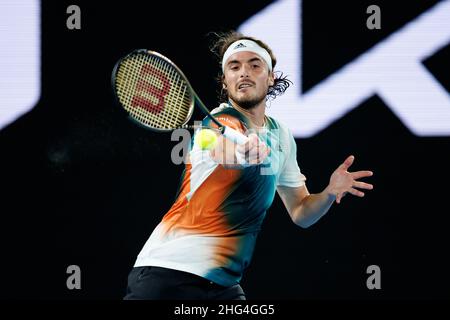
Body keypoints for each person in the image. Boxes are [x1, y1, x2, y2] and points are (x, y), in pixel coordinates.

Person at [124, 31, 374, 300]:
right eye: (234, 66)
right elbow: (220, 149)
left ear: (270, 77)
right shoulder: (216, 123)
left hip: (223, 286)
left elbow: (301, 212)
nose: (244, 72)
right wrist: (242, 153)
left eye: (254, 65)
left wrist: (329, 193)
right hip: (167, 275)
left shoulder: (282, 135)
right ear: (225, 81)